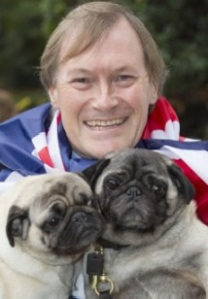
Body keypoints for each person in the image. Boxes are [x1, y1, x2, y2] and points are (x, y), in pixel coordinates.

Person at [0, 2, 208, 298]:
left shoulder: (200, 171)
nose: (104, 100)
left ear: (153, 86)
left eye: (123, 77)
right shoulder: (8, 173)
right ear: (53, 90)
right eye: (82, 80)